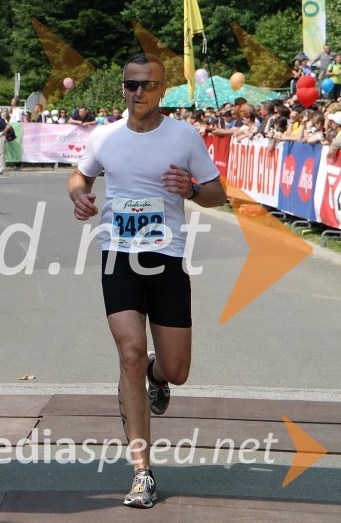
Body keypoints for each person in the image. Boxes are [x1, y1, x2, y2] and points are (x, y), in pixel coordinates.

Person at [67, 53, 225, 509]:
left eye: (149, 85)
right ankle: (142, 472)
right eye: (132, 84)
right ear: (124, 88)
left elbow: (218, 193)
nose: (140, 92)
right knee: (129, 354)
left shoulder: (184, 136)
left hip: (168, 259)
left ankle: (160, 375)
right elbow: (80, 176)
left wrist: (192, 190)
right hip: (119, 256)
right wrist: (81, 196)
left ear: (162, 90)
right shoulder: (106, 137)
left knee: (176, 370)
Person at [0, 109, 14, 174]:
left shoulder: (1, 120)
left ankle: (2, 167)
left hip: (2, 136)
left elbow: (8, 126)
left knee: (1, 152)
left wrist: (3, 132)